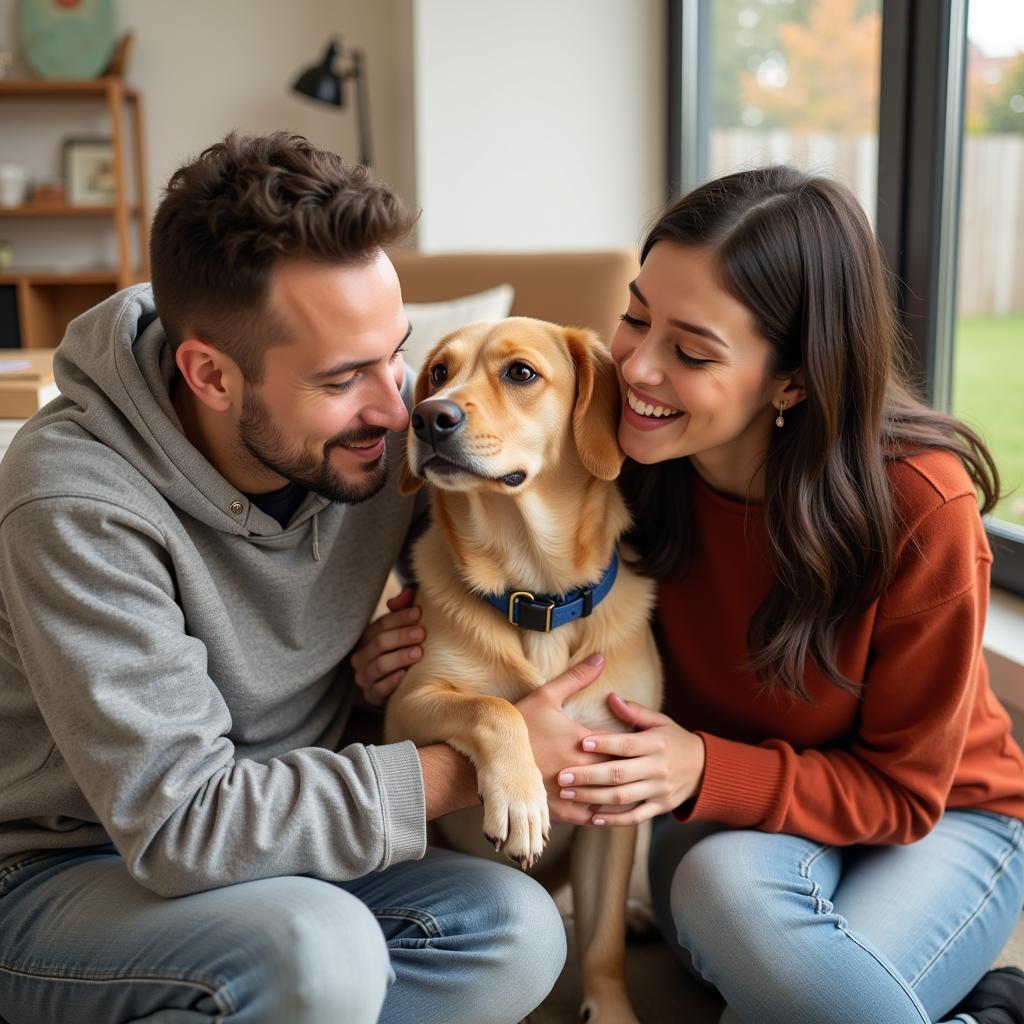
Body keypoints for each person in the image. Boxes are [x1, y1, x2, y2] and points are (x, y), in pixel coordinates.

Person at [0, 131, 601, 1024]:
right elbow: (180, 827)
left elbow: (566, 489)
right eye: (343, 376)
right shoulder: (75, 503)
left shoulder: (376, 445)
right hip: (68, 869)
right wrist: (477, 765)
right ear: (208, 374)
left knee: (514, 929)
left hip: (291, 851)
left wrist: (377, 678)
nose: (397, 406)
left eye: (395, 351)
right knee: (319, 947)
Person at [547, 166, 1024, 1024]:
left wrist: (703, 764)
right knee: (722, 887)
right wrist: (399, 640)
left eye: (691, 351)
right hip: (724, 831)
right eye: (635, 316)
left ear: (793, 380)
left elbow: (905, 796)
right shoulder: (614, 457)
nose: (638, 366)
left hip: (948, 822)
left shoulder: (920, 504)